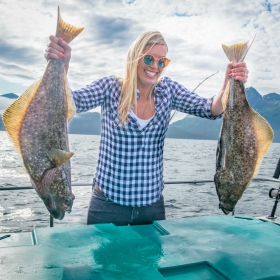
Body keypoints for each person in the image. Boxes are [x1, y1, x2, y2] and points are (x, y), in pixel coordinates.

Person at [45, 31, 249, 226]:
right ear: (136, 56)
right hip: (106, 206)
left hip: (152, 208)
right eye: (149, 58)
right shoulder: (110, 87)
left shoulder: (168, 90)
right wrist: (62, 64)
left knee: (150, 263)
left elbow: (211, 109)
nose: (156, 66)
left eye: (162, 61)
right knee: (105, 263)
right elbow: (66, 103)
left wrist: (229, 79)